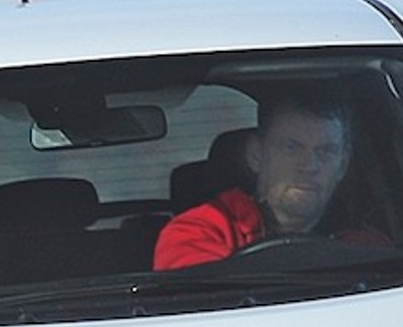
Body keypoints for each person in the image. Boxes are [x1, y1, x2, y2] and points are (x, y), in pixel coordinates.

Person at [152, 88, 355, 270]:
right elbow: (206, 295)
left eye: (326, 151)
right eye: (291, 148)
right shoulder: (196, 233)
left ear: (342, 166)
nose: (310, 166)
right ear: (256, 155)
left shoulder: (363, 246)